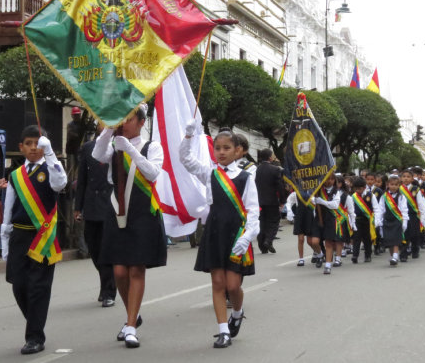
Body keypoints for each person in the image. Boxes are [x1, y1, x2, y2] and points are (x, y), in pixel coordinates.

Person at [93, 104, 167, 349]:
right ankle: (132, 315)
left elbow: (153, 172)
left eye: (128, 118)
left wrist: (132, 152)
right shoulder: (114, 146)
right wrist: (108, 130)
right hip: (117, 210)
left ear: (141, 121)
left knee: (136, 270)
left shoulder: (151, 146)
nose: (124, 122)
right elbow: (96, 155)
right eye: (121, 118)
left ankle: (131, 325)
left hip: (141, 211)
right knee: (119, 272)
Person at [180, 121, 259, 349]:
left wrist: (247, 238)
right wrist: (188, 136)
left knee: (233, 286)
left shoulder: (246, 178)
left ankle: (237, 312)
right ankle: (223, 330)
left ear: (237, 151)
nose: (221, 152)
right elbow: (185, 160)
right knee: (218, 283)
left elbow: (253, 212)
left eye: (227, 148)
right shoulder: (210, 172)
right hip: (214, 232)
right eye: (218, 148)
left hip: (237, 234)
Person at [0, 125, 67, 355]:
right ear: (20, 147)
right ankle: (36, 321)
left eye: (37, 144)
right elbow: (9, 207)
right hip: (19, 235)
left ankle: (35, 337)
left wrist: (50, 154)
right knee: (19, 286)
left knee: (39, 287)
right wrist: (4, 238)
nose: (32, 148)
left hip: (43, 235)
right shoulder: (15, 175)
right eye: (28, 144)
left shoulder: (52, 169)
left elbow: (60, 184)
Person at [74, 124, 116, 308]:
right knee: (94, 248)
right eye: (101, 121)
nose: (104, 125)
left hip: (110, 204)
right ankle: (105, 282)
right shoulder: (88, 147)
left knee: (107, 249)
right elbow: (82, 178)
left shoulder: (119, 145)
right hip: (91, 204)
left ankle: (109, 291)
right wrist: (78, 207)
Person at [375, 175, 408, 266]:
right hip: (387, 220)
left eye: (395, 185)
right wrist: (379, 220)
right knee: (389, 240)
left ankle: (395, 255)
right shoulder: (384, 196)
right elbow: (380, 209)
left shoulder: (401, 197)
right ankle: (392, 256)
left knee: (396, 240)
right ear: (388, 185)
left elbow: (404, 209)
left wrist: (404, 221)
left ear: (399, 186)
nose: (393, 186)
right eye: (391, 184)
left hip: (397, 220)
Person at [254, 149, 283, 254]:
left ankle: (263, 246)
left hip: (259, 201)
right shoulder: (275, 169)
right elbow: (280, 186)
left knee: (262, 222)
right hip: (271, 201)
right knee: (274, 221)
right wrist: (282, 200)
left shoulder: (256, 169)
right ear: (270, 157)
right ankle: (268, 240)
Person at [398, 169, 425, 261]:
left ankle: (415, 250)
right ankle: (403, 253)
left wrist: (424, 216)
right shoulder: (399, 189)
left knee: (415, 234)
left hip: (413, 215)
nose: (406, 179)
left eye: (408, 177)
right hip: (402, 215)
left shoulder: (416, 189)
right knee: (404, 234)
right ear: (401, 178)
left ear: (412, 179)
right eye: (404, 177)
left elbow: (421, 203)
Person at [351, 177, 379, 264]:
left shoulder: (371, 195)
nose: (357, 190)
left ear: (364, 187)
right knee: (357, 238)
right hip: (357, 220)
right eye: (356, 189)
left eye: (359, 188)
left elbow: (376, 208)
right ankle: (355, 255)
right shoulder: (353, 196)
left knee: (367, 238)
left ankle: (368, 255)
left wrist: (377, 220)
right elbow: (350, 210)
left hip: (368, 220)